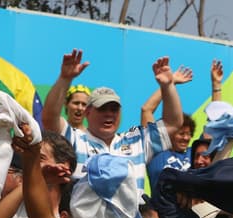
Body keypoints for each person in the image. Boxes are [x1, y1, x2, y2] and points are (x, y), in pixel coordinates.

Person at [40, 48, 184, 188]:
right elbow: (49, 119)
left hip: (132, 213)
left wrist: (168, 86)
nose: (109, 114)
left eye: (114, 109)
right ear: (88, 113)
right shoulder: (76, 140)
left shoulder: (137, 141)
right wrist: (64, 79)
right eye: (102, 108)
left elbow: (173, 123)